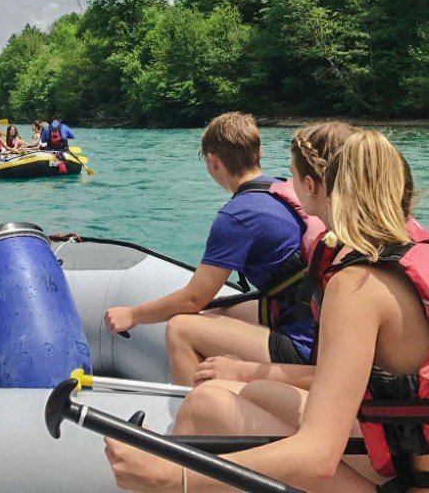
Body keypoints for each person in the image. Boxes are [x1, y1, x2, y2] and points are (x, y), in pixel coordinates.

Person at [106, 130, 429, 491]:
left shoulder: (355, 284)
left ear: (325, 190)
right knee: (248, 389)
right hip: (404, 454)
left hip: (405, 481)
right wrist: (246, 371)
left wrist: (172, 475)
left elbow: (317, 457)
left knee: (204, 406)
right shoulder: (406, 255)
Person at [104, 112, 321, 385]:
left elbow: (194, 298)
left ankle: (196, 416)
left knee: (181, 328)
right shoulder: (280, 188)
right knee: (212, 316)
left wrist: (132, 315)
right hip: (314, 322)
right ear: (259, 152)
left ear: (212, 161)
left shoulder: (237, 215)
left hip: (304, 344)